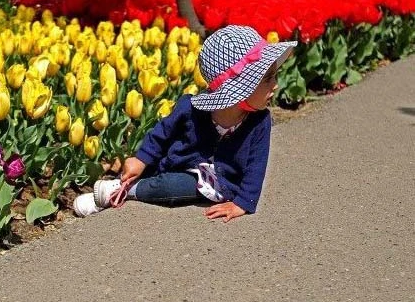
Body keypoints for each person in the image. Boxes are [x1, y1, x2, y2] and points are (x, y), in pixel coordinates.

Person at [74, 25, 297, 222]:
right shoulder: (190, 108)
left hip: (215, 181)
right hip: (176, 160)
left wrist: (243, 203)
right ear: (239, 89)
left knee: (170, 188)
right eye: (267, 79)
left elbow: (256, 167)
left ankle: (124, 191)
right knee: (149, 166)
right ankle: (119, 184)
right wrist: (141, 159)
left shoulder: (259, 122)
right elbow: (161, 134)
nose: (276, 85)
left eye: (274, 76)